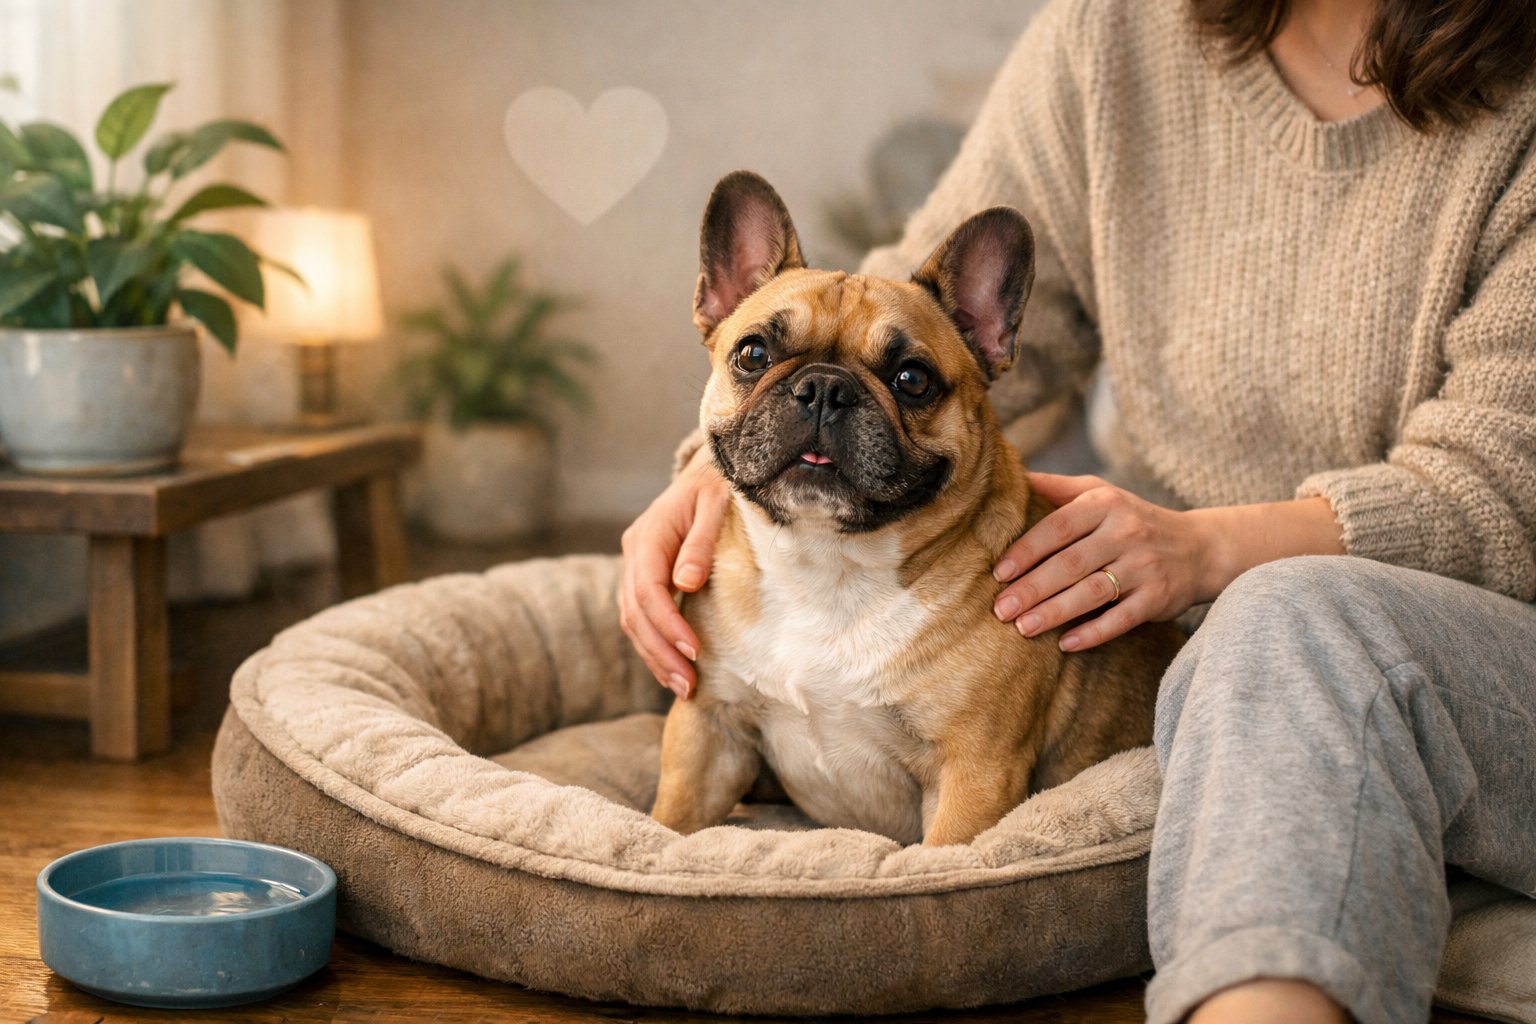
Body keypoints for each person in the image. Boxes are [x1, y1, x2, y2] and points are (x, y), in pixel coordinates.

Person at [618, 0, 1536, 1020]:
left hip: (1449, 637)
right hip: (1190, 632)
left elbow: (1504, 488)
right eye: (758, 359)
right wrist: (710, 471)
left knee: (1290, 617)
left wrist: (1211, 550)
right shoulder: (1120, 31)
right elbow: (913, 306)